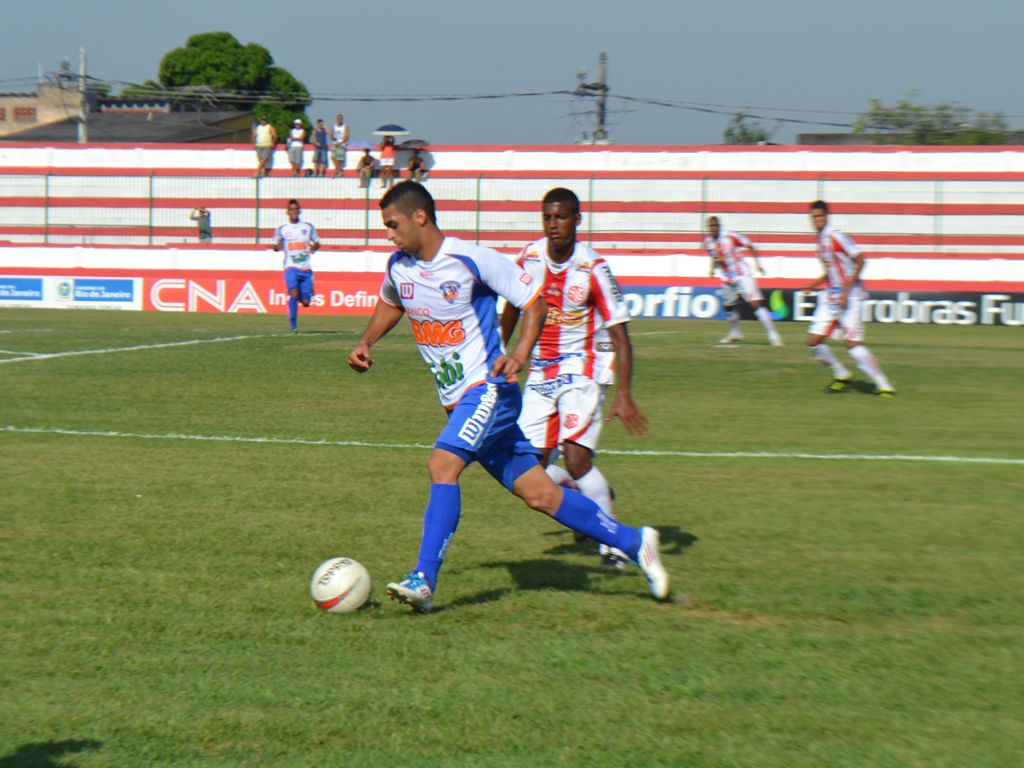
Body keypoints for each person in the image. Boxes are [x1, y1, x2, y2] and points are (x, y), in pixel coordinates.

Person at [347, 181, 669, 613]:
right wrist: (368, 340)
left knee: (442, 463)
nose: (388, 233)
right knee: (541, 494)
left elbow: (533, 302)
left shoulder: (471, 259)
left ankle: (423, 580)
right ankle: (635, 541)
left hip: (490, 390)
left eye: (392, 224)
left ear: (419, 216)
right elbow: (392, 302)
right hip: (458, 399)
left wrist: (518, 353)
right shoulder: (398, 267)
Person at [500, 187, 648, 570]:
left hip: (584, 367)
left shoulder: (593, 268)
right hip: (542, 369)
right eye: (548, 217)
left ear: (577, 219)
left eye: (561, 217)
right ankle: (588, 491)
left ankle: (613, 546)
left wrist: (625, 395)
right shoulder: (529, 258)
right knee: (528, 470)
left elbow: (620, 334)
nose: (553, 225)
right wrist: (500, 353)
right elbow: (512, 308)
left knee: (578, 457)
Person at [804, 200, 896, 396]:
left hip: (850, 294)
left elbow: (861, 260)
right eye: (813, 217)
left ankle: (884, 385)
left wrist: (846, 291)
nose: (816, 220)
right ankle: (841, 374)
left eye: (819, 216)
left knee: (852, 344)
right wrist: (812, 285)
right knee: (814, 341)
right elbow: (830, 272)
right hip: (831, 295)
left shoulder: (836, 236)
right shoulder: (819, 242)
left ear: (826, 216)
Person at [704, 216, 782, 346]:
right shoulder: (708, 242)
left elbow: (750, 246)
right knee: (728, 307)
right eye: (710, 227)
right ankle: (735, 332)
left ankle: (773, 334)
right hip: (727, 278)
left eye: (715, 226)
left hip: (742, 274)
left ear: (719, 226)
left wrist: (758, 265)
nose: (713, 229)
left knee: (755, 304)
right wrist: (711, 270)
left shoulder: (730, 236)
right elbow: (714, 256)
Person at [273, 199, 320, 333]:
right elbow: (276, 242)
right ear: (287, 212)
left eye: (296, 209)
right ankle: (293, 326)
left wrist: (313, 247)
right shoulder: (282, 228)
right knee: (292, 293)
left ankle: (302, 295)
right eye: (291, 210)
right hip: (290, 267)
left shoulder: (308, 227)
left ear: (299, 211)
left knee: (306, 302)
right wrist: (276, 247)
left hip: (305, 268)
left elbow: (317, 242)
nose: (293, 212)